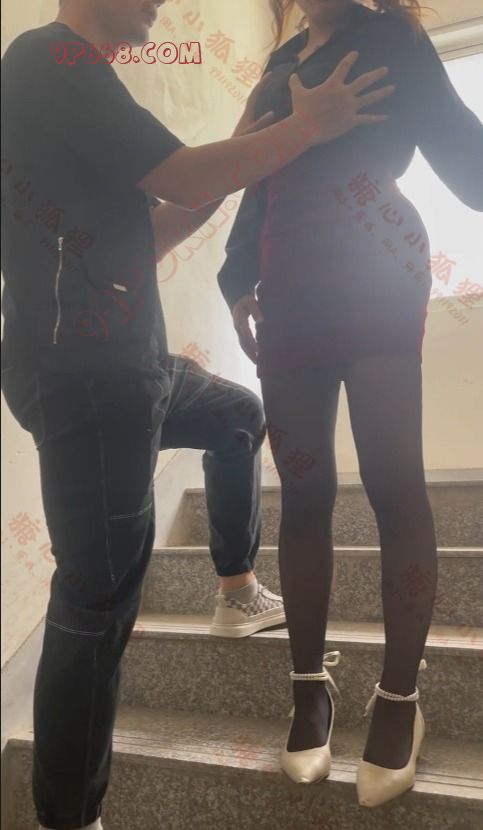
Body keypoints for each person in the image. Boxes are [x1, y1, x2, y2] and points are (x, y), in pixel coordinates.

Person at [0, 1, 397, 827]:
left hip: (131, 366)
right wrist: (307, 127)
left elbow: (154, 230)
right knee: (96, 598)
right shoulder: (50, 61)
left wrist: (248, 146)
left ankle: (234, 587)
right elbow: (183, 175)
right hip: (89, 378)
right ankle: (69, 816)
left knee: (236, 416)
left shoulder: (77, 82)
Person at [218, 0, 483, 809]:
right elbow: (255, 180)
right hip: (288, 285)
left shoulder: (393, 37)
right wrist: (235, 278)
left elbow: (468, 163)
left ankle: (399, 698)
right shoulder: (278, 64)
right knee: (302, 491)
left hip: (376, 273)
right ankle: (309, 688)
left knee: (392, 483)